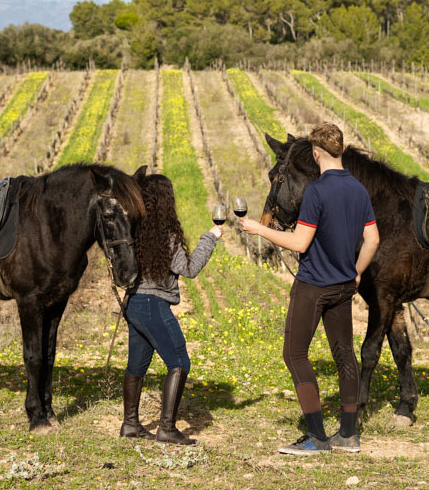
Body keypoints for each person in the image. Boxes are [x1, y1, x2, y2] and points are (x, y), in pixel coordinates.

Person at [241, 122, 379, 455]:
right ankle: (348, 435)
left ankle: (317, 436)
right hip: (344, 285)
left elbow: (300, 242)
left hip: (313, 285)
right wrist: (357, 271)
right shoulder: (359, 190)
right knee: (344, 354)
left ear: (316, 153)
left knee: (294, 354)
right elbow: (372, 239)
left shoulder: (316, 191)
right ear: (342, 150)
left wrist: (259, 229)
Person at [119, 173, 221, 445]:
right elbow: (189, 268)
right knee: (179, 362)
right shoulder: (167, 235)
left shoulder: (133, 231)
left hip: (133, 304)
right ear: (167, 201)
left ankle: (130, 424)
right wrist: (210, 237)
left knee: (136, 366)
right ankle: (167, 428)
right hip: (153, 305)